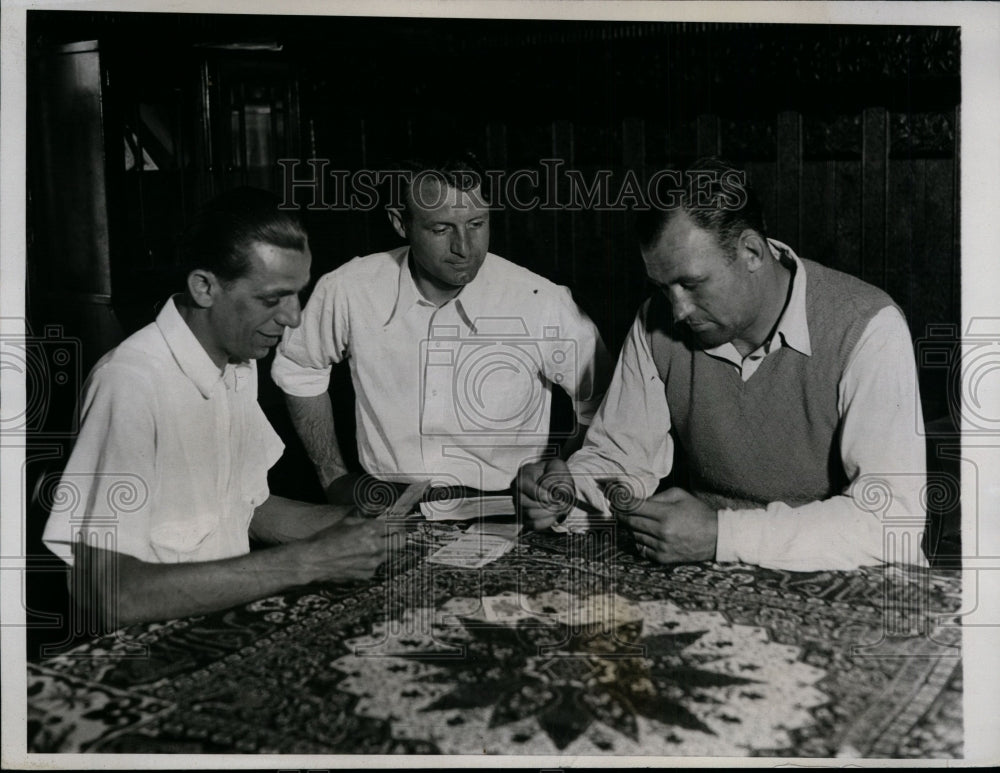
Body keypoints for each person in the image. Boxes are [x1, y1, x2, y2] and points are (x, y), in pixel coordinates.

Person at [516, 158, 928, 571]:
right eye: (663, 287)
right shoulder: (655, 321)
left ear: (750, 252)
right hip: (717, 575)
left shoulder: (866, 325)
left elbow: (891, 520)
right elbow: (621, 459)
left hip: (855, 582)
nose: (677, 310)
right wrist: (568, 489)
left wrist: (721, 534)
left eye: (691, 284)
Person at [42, 188, 394, 628]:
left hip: (221, 626)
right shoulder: (130, 383)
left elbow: (244, 507)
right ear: (204, 287)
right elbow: (106, 592)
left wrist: (367, 526)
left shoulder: (237, 365)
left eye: (297, 294)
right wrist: (307, 563)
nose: (294, 318)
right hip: (148, 652)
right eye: (273, 298)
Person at [272, 152, 609, 502]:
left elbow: (601, 397)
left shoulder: (540, 300)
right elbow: (299, 368)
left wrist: (561, 474)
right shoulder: (350, 288)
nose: (464, 248)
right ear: (401, 224)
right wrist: (332, 476)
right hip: (383, 505)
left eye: (477, 224)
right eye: (441, 228)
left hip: (505, 507)